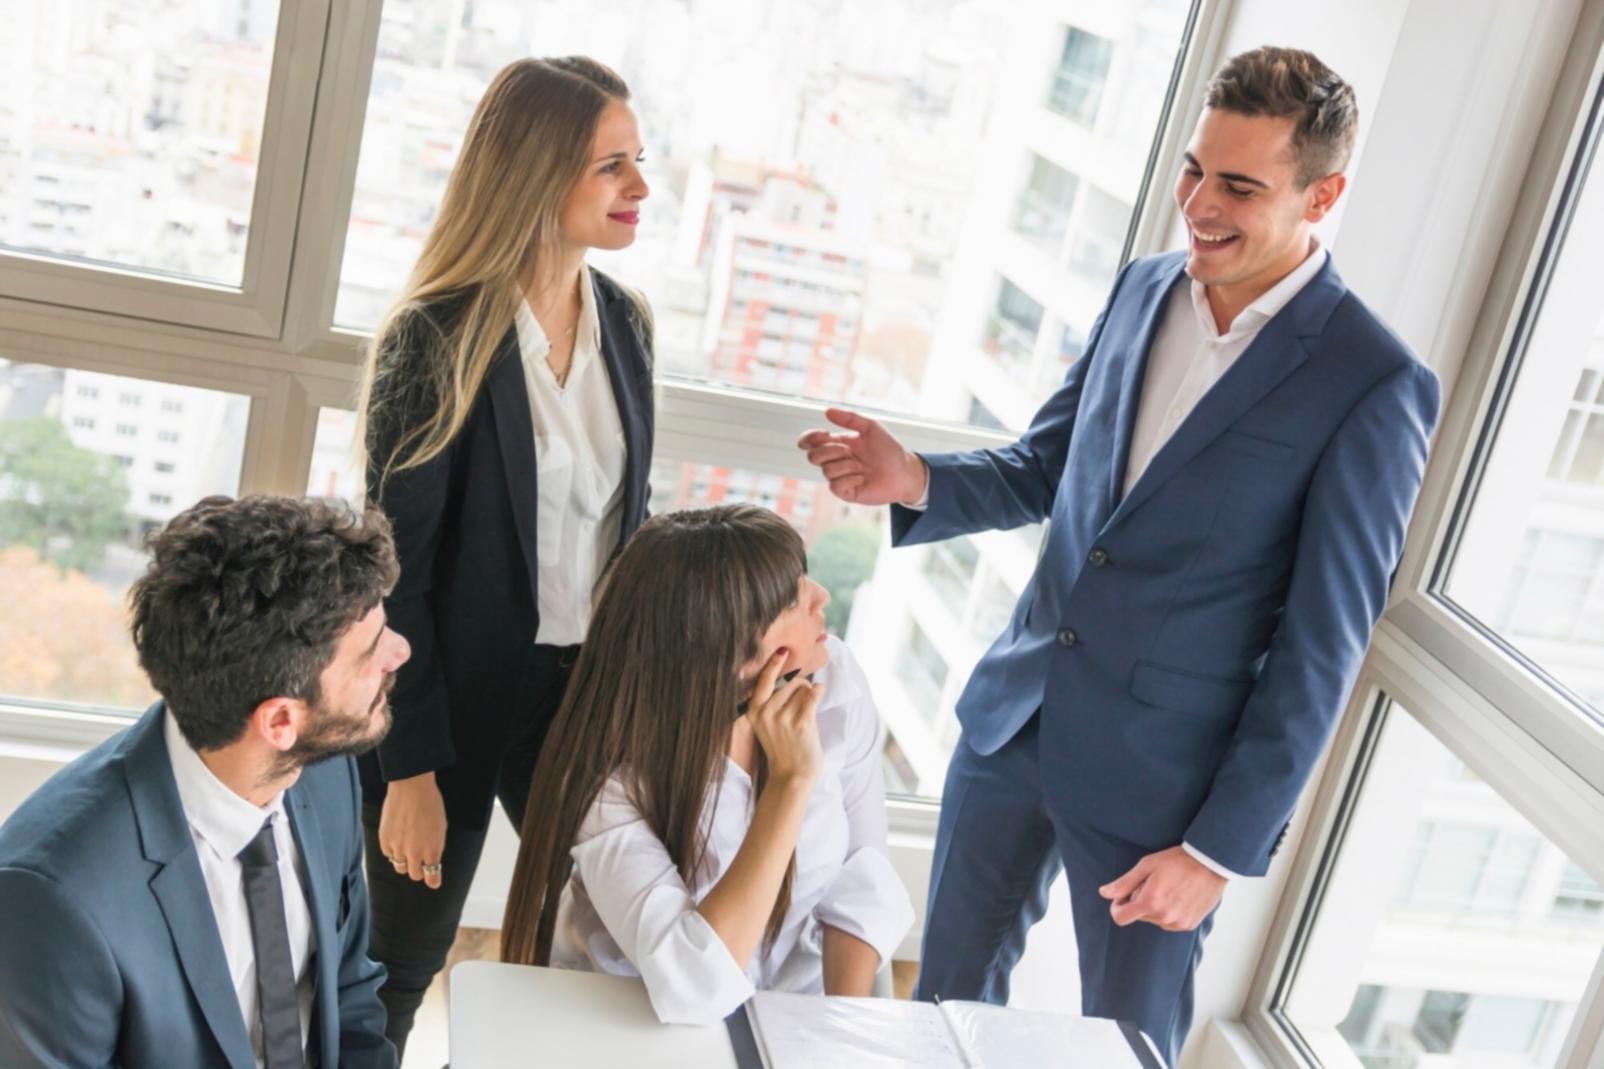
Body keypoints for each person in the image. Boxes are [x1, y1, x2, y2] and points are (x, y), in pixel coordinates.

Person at [798, 47, 1442, 1065]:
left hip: (1166, 801)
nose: (1197, 204)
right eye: (1193, 170)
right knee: (943, 1008)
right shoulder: (1144, 290)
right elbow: (1048, 466)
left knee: (1128, 1045)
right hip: (1014, 721)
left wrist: (1217, 848)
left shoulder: (1371, 381)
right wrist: (914, 479)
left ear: (1323, 194)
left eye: (1237, 185)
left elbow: (1322, 650)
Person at [354, 56, 657, 1053]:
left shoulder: (625, 323)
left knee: (620, 939)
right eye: (613, 167)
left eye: (638, 163)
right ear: (536, 172)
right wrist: (410, 770)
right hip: (449, 695)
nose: (639, 190)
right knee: (402, 956)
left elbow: (626, 518)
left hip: (582, 698)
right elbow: (392, 572)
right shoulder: (435, 338)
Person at [0, 495, 407, 1069]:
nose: (401, 652)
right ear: (280, 721)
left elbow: (349, 989)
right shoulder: (51, 898)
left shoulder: (326, 768)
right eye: (371, 651)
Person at [499, 506, 913, 1025]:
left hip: (793, 1017)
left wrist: (847, 1034)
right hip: (637, 1026)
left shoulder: (836, 680)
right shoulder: (609, 782)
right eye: (793, 596)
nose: (820, 596)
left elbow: (861, 872)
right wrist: (790, 782)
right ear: (729, 655)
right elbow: (694, 986)